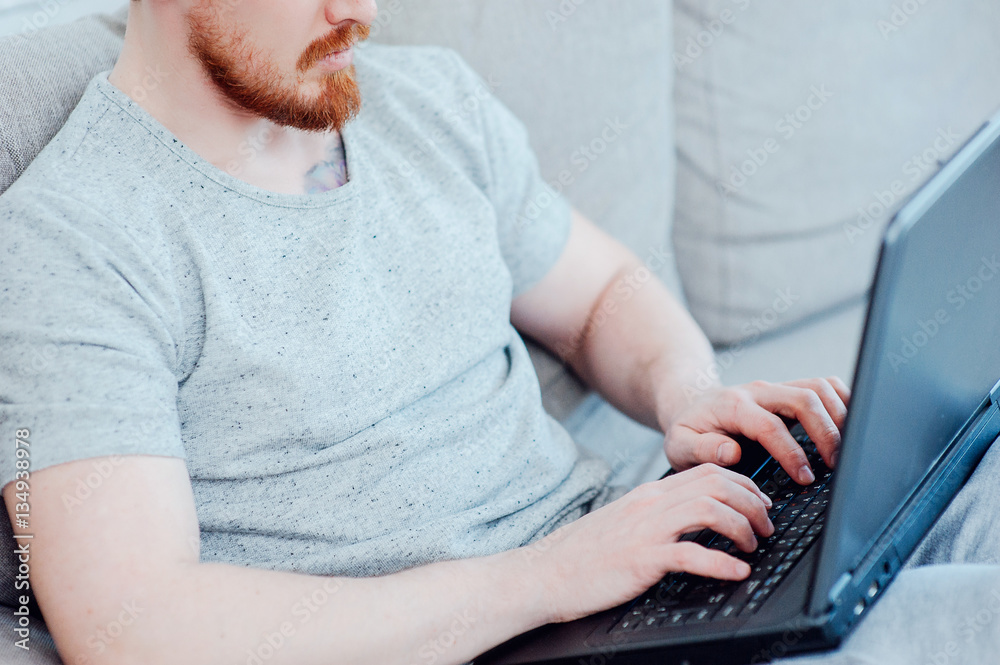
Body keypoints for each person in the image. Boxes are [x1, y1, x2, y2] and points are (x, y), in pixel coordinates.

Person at [1, 1, 944, 664]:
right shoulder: (72, 241)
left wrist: (687, 393)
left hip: (637, 576)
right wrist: (548, 578)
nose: (360, 11)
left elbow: (602, 290)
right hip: (493, 638)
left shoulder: (426, 102)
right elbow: (132, 626)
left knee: (957, 491)